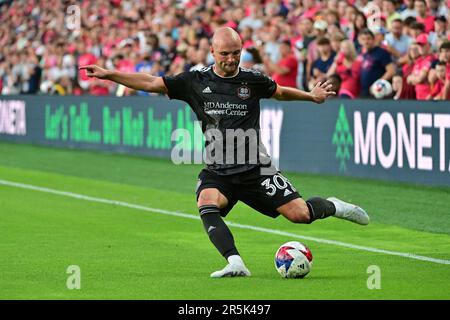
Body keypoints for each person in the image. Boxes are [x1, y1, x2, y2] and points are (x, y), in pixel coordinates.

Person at [80, 27, 369, 278]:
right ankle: (235, 262)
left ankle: (335, 206)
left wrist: (312, 96)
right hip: (219, 170)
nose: (231, 60)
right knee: (206, 202)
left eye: (236, 53)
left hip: (257, 168)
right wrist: (110, 75)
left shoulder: (253, 80)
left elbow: (280, 91)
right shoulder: (194, 81)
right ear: (212, 52)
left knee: (301, 215)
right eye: (225, 54)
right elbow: (152, 82)